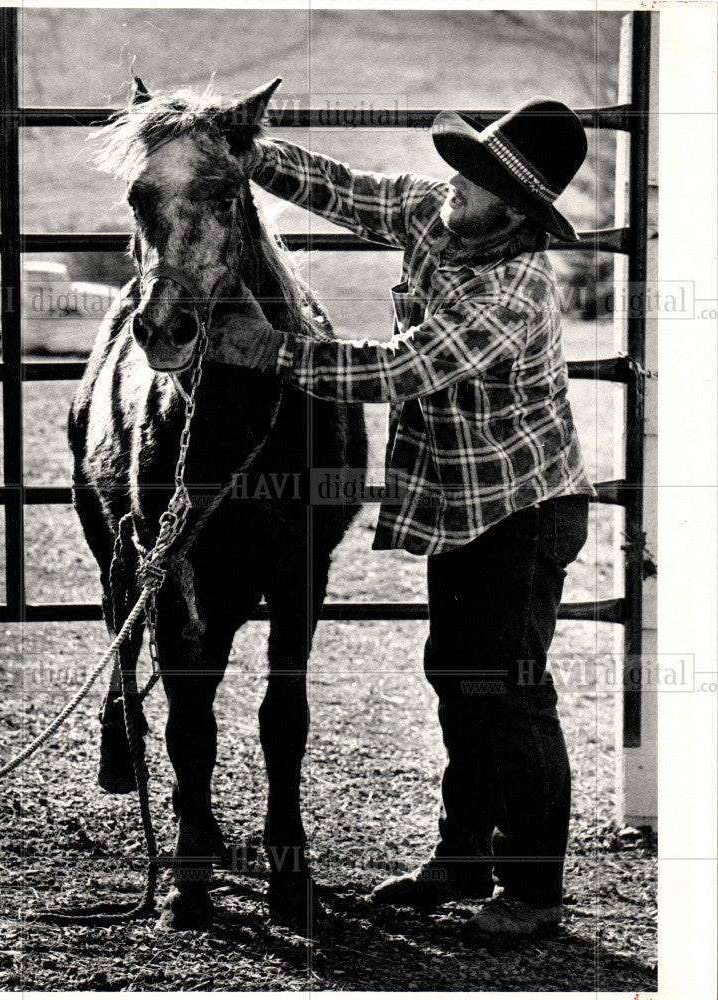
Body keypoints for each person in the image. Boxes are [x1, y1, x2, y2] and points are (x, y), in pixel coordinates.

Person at [207, 96, 596, 941]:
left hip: (522, 508)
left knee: (511, 690)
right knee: (461, 675)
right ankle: (465, 856)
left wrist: (276, 351)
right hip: (465, 502)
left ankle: (534, 891)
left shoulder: (509, 289)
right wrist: (252, 157)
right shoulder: (437, 211)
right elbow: (349, 191)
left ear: (515, 209)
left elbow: (405, 368)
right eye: (469, 165)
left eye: (484, 180)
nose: (460, 182)